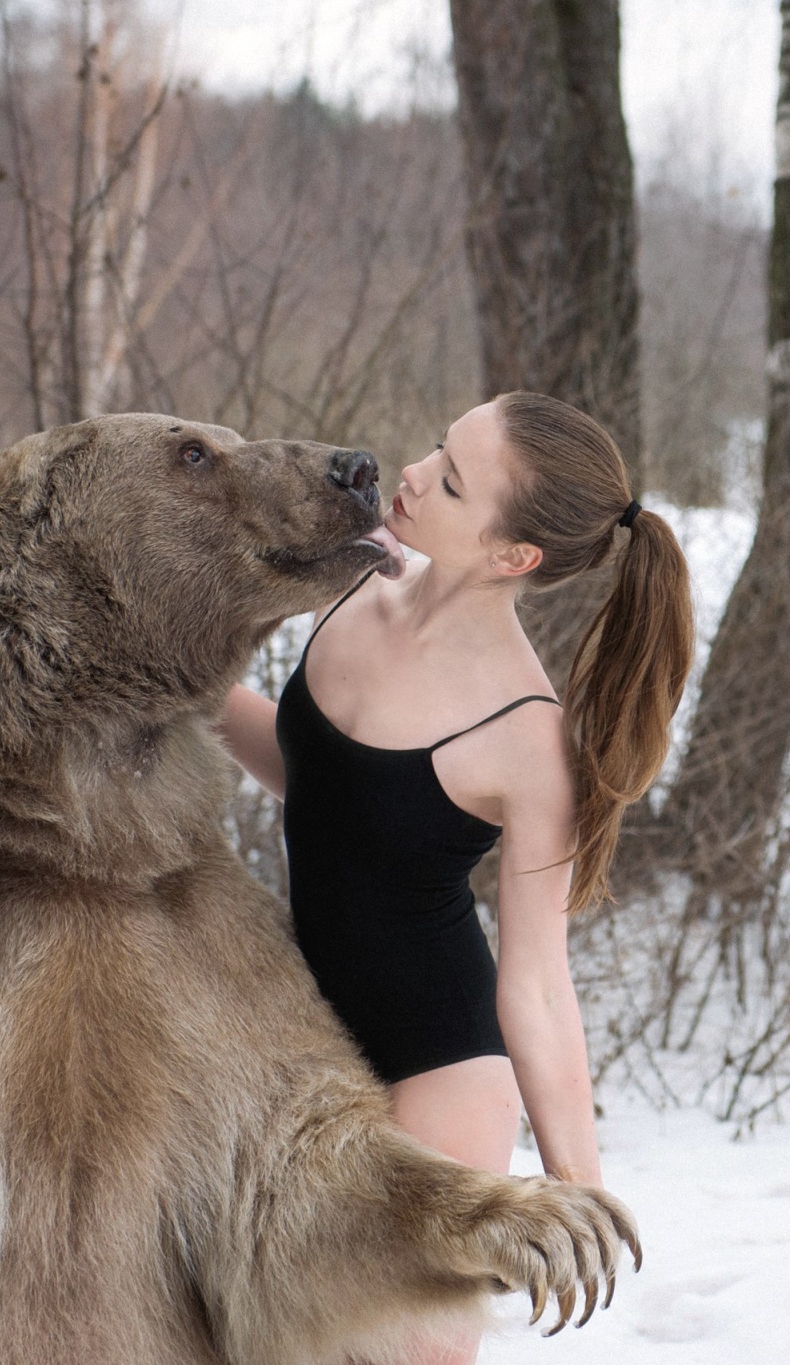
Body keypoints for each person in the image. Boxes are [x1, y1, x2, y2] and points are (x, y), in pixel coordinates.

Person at [219, 391, 692, 1355]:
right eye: (439, 444)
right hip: (297, 1038)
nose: (416, 471)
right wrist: (166, 681)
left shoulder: (526, 738)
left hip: (431, 1073)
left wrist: (579, 1193)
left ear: (513, 555)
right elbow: (318, 786)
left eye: (452, 479)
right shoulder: (361, 576)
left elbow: (538, 985)